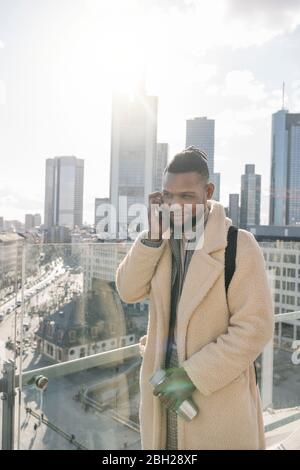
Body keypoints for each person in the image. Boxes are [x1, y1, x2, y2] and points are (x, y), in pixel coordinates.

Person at [116, 146, 274, 450]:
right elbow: (128, 290)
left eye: (186, 196)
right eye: (168, 196)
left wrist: (191, 376)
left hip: (214, 403)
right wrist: (151, 236)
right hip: (163, 400)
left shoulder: (238, 245)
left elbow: (255, 328)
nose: (175, 205)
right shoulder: (158, 240)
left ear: (208, 191)